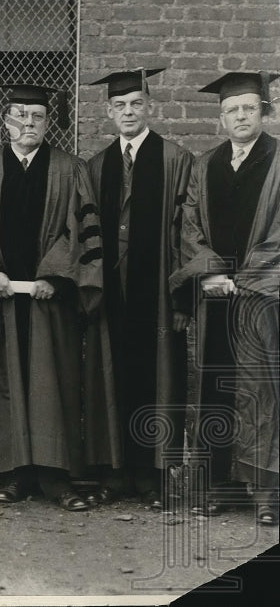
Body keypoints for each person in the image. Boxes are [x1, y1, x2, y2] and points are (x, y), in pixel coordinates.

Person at [0, 84, 105, 511]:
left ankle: (56, 478)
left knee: (52, 385)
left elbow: (82, 234)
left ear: (49, 123)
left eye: (37, 117)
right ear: (5, 121)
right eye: (19, 116)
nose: (28, 124)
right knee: (1, 384)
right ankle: (14, 475)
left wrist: (58, 278)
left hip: (50, 301)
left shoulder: (71, 170)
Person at [170, 71, 280, 526]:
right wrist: (211, 273)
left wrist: (246, 278)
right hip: (216, 296)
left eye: (249, 108)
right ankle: (220, 485)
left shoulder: (278, 160)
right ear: (220, 118)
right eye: (232, 110)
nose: (241, 116)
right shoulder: (205, 165)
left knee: (262, 391)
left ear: (263, 111)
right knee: (215, 388)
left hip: (262, 297)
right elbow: (188, 227)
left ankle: (266, 493)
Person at [82, 68, 193, 510]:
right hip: (111, 295)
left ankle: (153, 476)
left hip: (158, 298)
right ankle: (114, 471)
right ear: (108, 111)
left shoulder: (175, 160)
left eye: (136, 104)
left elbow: (187, 234)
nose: (128, 112)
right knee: (111, 378)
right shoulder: (96, 166)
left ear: (149, 107)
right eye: (120, 106)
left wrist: (182, 299)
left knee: (159, 379)